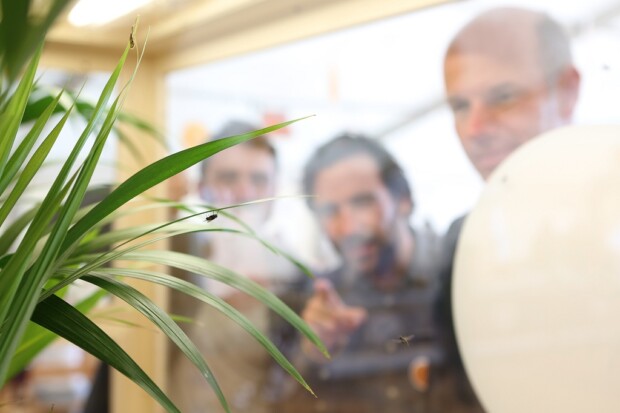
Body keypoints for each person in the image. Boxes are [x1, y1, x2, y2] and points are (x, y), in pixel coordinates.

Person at [436, 7, 581, 412]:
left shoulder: (608, 219)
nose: (475, 129)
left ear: (567, 90)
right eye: (459, 106)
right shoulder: (462, 241)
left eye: (503, 97)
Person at [269, 134, 441, 413]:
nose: (348, 228)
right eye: (330, 210)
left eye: (363, 202)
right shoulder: (326, 299)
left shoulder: (454, 272)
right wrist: (312, 354)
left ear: (404, 200)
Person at [169, 120, 302, 413]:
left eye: (258, 179)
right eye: (229, 178)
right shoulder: (173, 260)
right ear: (202, 189)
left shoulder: (293, 275)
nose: (244, 191)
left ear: (275, 189)